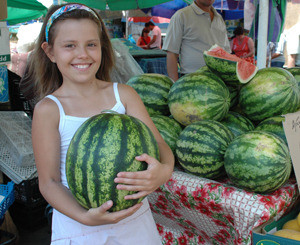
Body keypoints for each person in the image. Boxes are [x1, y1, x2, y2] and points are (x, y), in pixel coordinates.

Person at [30, 4, 174, 244]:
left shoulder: (124, 95)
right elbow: (49, 182)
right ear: (50, 52)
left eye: (91, 44)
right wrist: (84, 217)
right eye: (69, 45)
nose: (82, 54)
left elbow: (160, 144)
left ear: (102, 47)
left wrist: (164, 171)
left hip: (135, 225)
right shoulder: (49, 110)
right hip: (79, 228)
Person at [162, 0, 231, 81]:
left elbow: (227, 53)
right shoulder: (181, 16)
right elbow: (171, 53)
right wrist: (174, 86)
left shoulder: (219, 19)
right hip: (191, 80)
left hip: (220, 81)